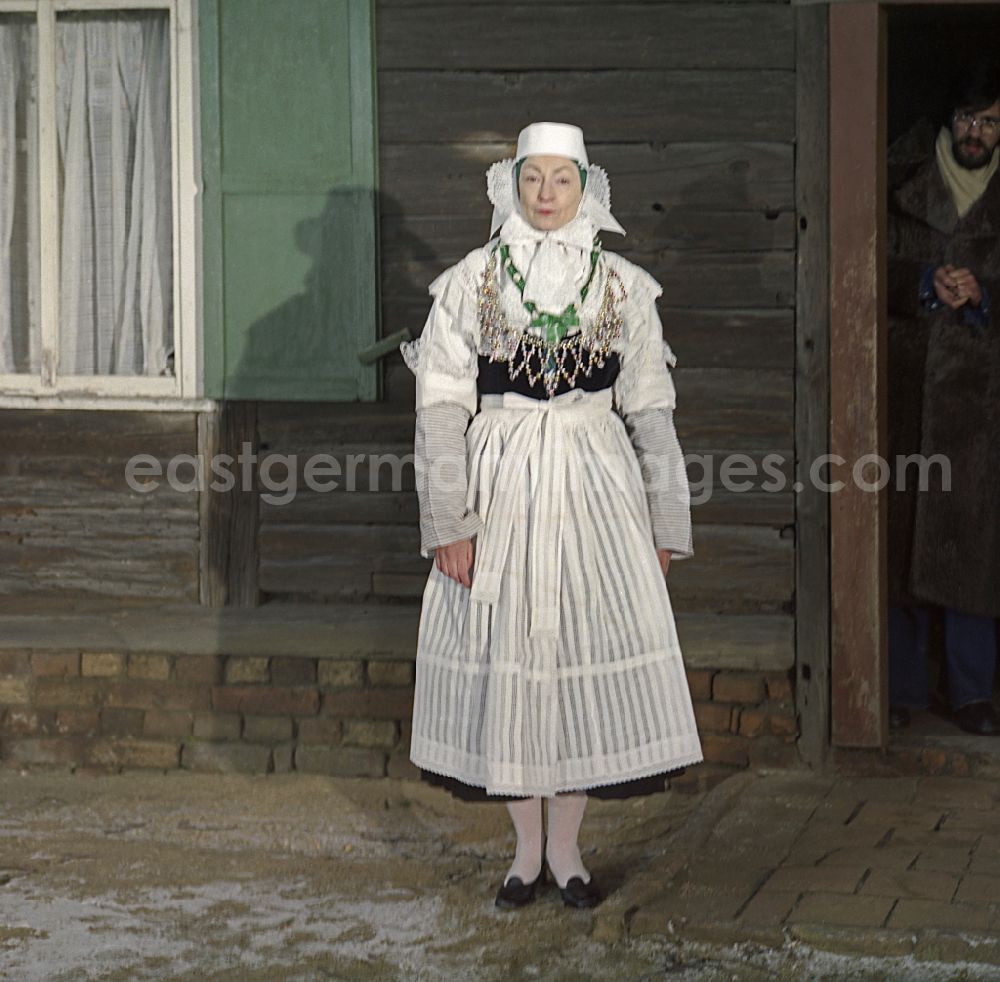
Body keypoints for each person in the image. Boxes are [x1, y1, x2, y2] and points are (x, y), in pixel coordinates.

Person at [401, 123, 702, 909]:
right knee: (511, 658)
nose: (545, 195)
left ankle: (568, 851)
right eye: (532, 178)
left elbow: (652, 408)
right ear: (511, 186)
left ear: (584, 188)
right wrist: (450, 521)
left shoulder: (624, 286)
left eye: (560, 180)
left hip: (596, 488)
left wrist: (665, 523)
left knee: (577, 654)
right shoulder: (472, 280)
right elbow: (439, 409)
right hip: (500, 487)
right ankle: (523, 855)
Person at [887, 59, 1000, 736]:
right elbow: (864, 263)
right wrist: (926, 281)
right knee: (900, 546)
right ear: (947, 122)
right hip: (905, 389)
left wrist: (986, 293)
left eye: (989, 121)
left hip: (983, 405)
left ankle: (969, 694)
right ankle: (900, 685)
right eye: (967, 119)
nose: (976, 133)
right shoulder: (902, 178)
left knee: (974, 549)